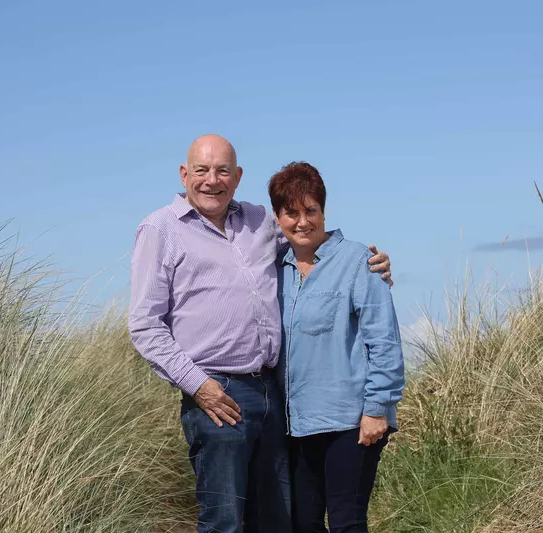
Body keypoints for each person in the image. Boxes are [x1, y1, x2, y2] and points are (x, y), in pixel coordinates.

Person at [128, 135, 393, 533]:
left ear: (237, 177)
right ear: (185, 175)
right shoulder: (160, 229)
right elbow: (145, 325)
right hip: (215, 394)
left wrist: (369, 263)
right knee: (225, 521)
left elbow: (306, 237)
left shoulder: (258, 222)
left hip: (274, 396)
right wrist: (198, 386)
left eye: (222, 171)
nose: (211, 180)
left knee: (277, 521)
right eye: (201, 171)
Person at [268, 161, 405, 533]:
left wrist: (377, 409)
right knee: (302, 523)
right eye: (291, 213)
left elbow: (385, 341)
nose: (302, 222)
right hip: (297, 425)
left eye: (311, 211)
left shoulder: (360, 261)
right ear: (277, 216)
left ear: (324, 211)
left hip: (351, 421)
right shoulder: (274, 269)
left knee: (346, 522)